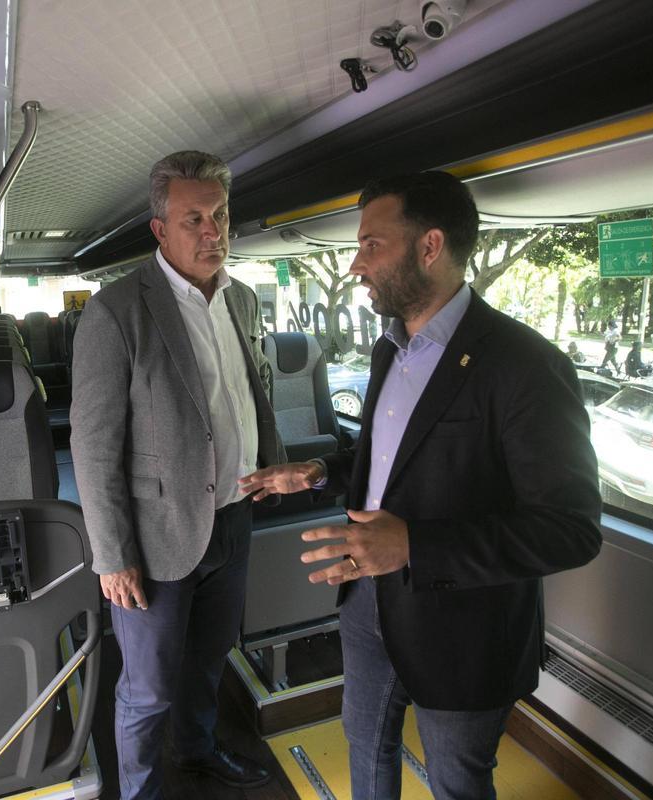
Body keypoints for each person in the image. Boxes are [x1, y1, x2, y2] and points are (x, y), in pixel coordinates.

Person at [239, 171, 601, 800]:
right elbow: (388, 467)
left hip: (464, 631)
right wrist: (323, 473)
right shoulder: (391, 350)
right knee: (365, 747)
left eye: (371, 245)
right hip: (367, 606)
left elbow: (571, 530)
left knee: (456, 780)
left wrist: (415, 548)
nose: (355, 265)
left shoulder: (525, 366)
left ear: (429, 247)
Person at [70, 150, 283, 799]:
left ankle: (198, 751)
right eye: (194, 218)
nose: (213, 230)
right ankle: (139, 790)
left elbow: (248, 396)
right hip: (157, 535)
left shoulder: (243, 301)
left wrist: (271, 468)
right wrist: (112, 555)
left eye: (219, 214)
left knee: (210, 662)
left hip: (233, 520)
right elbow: (94, 444)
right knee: (149, 685)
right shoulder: (117, 313)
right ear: (160, 229)